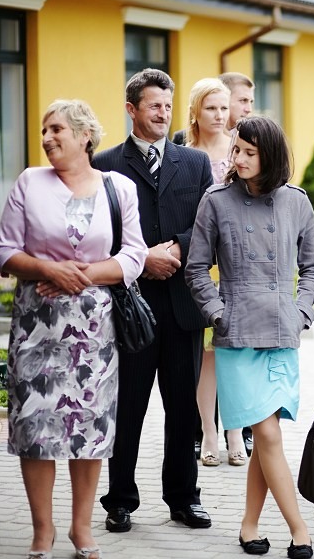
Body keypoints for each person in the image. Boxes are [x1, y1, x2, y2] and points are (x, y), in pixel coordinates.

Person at [0, 99, 147, 559]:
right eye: (44, 130)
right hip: (37, 327)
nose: (47, 138)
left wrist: (82, 276)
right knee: (35, 427)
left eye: (56, 129)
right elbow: (4, 251)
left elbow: (134, 255)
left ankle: (82, 529)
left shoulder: (118, 188)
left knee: (89, 430)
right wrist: (48, 269)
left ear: (85, 136)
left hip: (94, 330)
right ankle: (43, 530)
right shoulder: (29, 182)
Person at [186, 115, 314, 558]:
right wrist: (217, 313)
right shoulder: (216, 201)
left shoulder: (297, 202)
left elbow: (313, 267)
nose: (236, 158)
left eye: (248, 152)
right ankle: (299, 529)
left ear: (271, 156)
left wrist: (302, 310)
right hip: (238, 333)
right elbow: (196, 268)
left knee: (268, 436)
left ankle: (248, 525)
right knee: (268, 434)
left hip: (283, 330)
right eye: (235, 149)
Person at [94, 68, 214, 533]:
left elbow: (209, 223)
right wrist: (142, 260)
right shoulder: (105, 164)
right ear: (131, 110)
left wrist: (180, 248)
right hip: (129, 306)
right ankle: (119, 499)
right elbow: (97, 234)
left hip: (183, 304)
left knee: (183, 410)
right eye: (153, 106)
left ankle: (184, 498)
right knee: (128, 408)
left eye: (168, 105)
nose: (164, 113)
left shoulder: (195, 163)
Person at [184, 77, 247, 468]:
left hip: (237, 262)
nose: (220, 115)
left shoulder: (240, 150)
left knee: (234, 354)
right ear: (196, 111)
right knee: (206, 356)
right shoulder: (185, 155)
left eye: (224, 107)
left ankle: (236, 432)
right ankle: (208, 430)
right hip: (200, 262)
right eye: (211, 108)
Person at [172, 72, 254, 145]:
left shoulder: (253, 138)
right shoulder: (182, 139)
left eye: (251, 102)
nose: (249, 109)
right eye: (243, 100)